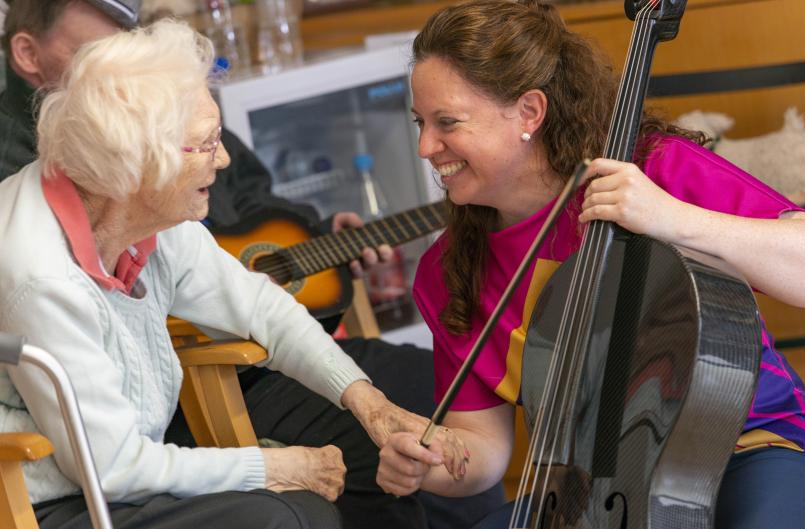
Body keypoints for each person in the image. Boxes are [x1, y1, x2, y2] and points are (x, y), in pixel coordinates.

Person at [0, 1, 506, 528]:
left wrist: (368, 403)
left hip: (120, 467)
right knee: (288, 515)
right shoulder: (40, 277)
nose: (221, 161)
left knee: (332, 479)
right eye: (208, 144)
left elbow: (261, 305)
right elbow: (113, 469)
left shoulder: (139, 214)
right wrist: (275, 465)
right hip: (50, 498)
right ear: (140, 163)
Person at [375, 1, 805, 528]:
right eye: (421, 122)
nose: (425, 147)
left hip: (756, 450)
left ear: (530, 113)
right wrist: (432, 462)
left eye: (448, 122)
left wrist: (668, 215)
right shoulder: (446, 270)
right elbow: (483, 449)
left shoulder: (650, 170)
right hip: (594, 493)